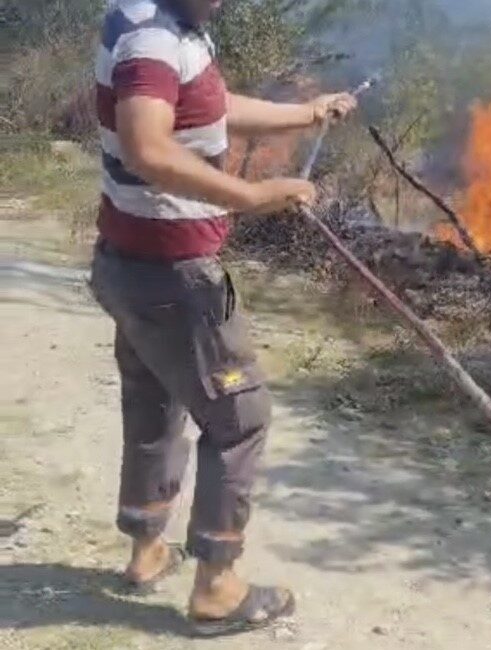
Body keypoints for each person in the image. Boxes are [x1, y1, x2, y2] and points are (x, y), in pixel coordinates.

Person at [89, 0, 356, 636]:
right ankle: (216, 586)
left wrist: (308, 113)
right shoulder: (155, 39)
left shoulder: (153, 19)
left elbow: (209, 104)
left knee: (154, 399)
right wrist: (253, 196)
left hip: (128, 265)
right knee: (241, 417)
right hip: (173, 276)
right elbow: (148, 145)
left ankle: (147, 547)